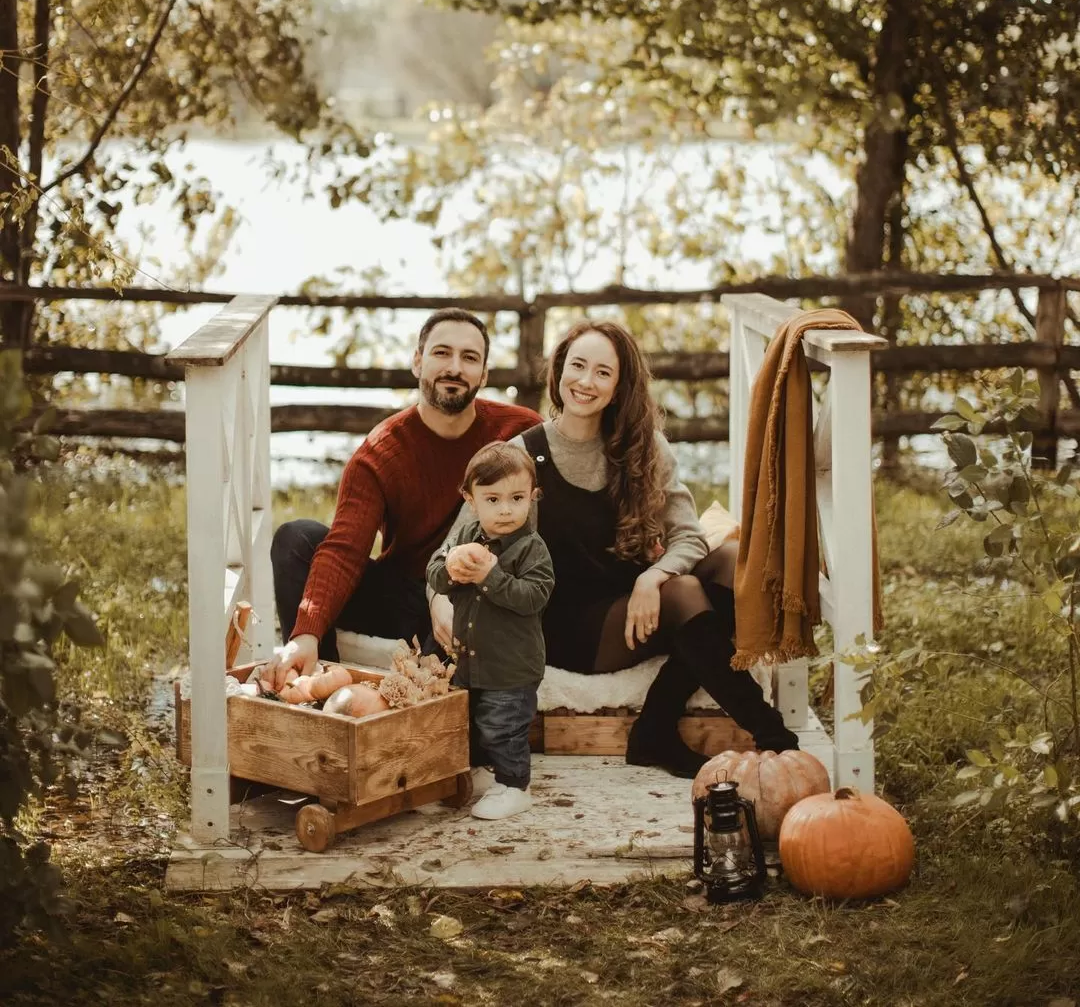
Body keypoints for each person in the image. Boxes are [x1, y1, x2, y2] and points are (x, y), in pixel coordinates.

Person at [460, 319, 799, 778]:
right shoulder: (523, 454)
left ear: (619, 386)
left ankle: (655, 728)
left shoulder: (643, 448)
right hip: (564, 624)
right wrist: (448, 597)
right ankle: (777, 739)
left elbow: (689, 535)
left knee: (729, 563)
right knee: (684, 595)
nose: (586, 381)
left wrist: (652, 576)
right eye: (577, 365)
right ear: (559, 370)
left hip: (632, 604)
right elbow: (462, 541)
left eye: (603, 372)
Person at [265, 308, 541, 689]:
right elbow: (345, 548)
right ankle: (315, 681)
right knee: (295, 538)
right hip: (405, 594)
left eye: (470, 358)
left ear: (484, 374)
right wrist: (305, 632)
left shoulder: (520, 430)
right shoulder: (382, 451)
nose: (455, 367)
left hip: (482, 591)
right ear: (417, 361)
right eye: (442, 353)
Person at [427, 441, 554, 821]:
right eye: (493, 499)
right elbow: (434, 572)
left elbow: (534, 596)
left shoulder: (532, 549)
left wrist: (490, 576)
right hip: (468, 661)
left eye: (517, 498)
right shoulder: (465, 535)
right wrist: (450, 566)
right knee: (468, 722)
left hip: (511, 667)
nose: (505, 509)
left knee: (503, 726)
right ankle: (481, 772)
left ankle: (514, 786)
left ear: (533, 497)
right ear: (470, 499)